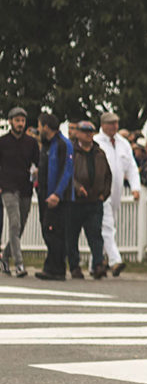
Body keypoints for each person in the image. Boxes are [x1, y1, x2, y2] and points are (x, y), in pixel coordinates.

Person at [95, 112, 141, 276]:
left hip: (117, 192)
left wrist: (136, 187)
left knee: (107, 226)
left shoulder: (123, 144)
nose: (114, 126)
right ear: (103, 125)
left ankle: (100, 261)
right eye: (111, 123)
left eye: (116, 123)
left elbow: (131, 167)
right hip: (101, 191)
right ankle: (115, 260)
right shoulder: (96, 142)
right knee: (107, 226)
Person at [66, 121, 112, 280]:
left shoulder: (99, 153)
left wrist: (103, 194)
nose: (88, 134)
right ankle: (74, 266)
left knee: (95, 235)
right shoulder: (71, 151)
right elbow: (67, 174)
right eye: (85, 131)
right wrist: (77, 188)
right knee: (72, 236)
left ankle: (98, 264)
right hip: (76, 202)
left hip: (94, 202)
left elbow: (108, 176)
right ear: (77, 133)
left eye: (91, 131)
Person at [34, 113, 73, 281]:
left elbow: (67, 170)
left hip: (57, 198)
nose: (38, 129)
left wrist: (57, 194)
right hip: (45, 194)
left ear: (46, 127)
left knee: (54, 232)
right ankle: (51, 266)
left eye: (40, 125)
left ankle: (57, 269)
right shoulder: (47, 145)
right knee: (47, 230)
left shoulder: (63, 144)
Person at [0, 107, 39, 277]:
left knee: (21, 225)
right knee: (14, 223)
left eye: (22, 121)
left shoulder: (31, 142)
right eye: (17, 120)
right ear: (10, 122)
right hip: (8, 187)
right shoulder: (2, 142)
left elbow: (37, 163)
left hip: (25, 188)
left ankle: (5, 256)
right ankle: (20, 264)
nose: (20, 124)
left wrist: (36, 171)